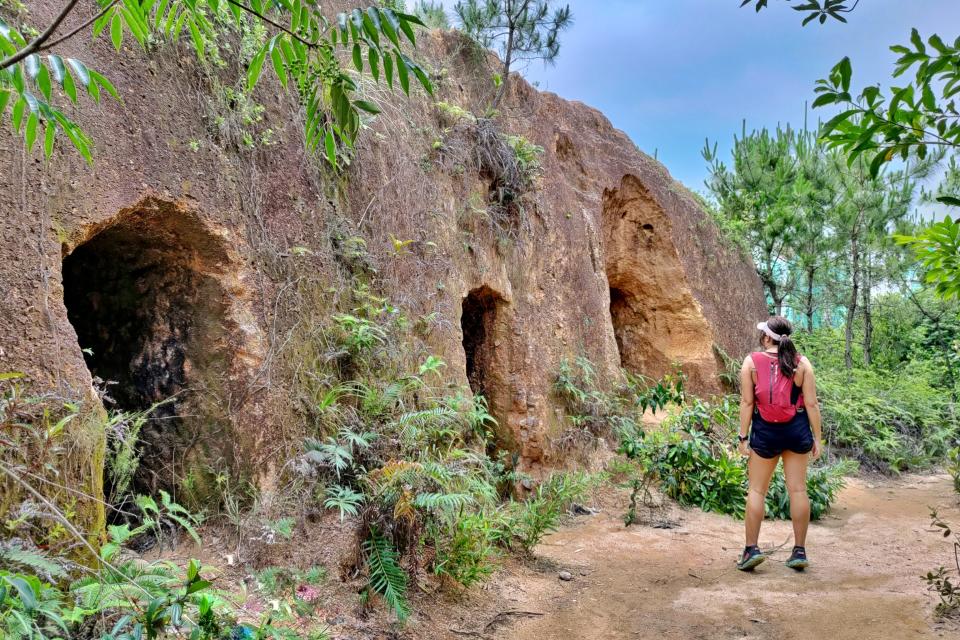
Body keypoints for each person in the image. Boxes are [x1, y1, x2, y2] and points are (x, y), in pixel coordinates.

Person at [736, 315, 823, 572]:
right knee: (798, 490)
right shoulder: (802, 363)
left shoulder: (751, 362)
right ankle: (799, 551)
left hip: (765, 431)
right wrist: (817, 438)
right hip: (796, 430)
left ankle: (751, 549)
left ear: (766, 338)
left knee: (756, 491)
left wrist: (743, 437)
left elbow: (747, 403)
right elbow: (811, 404)